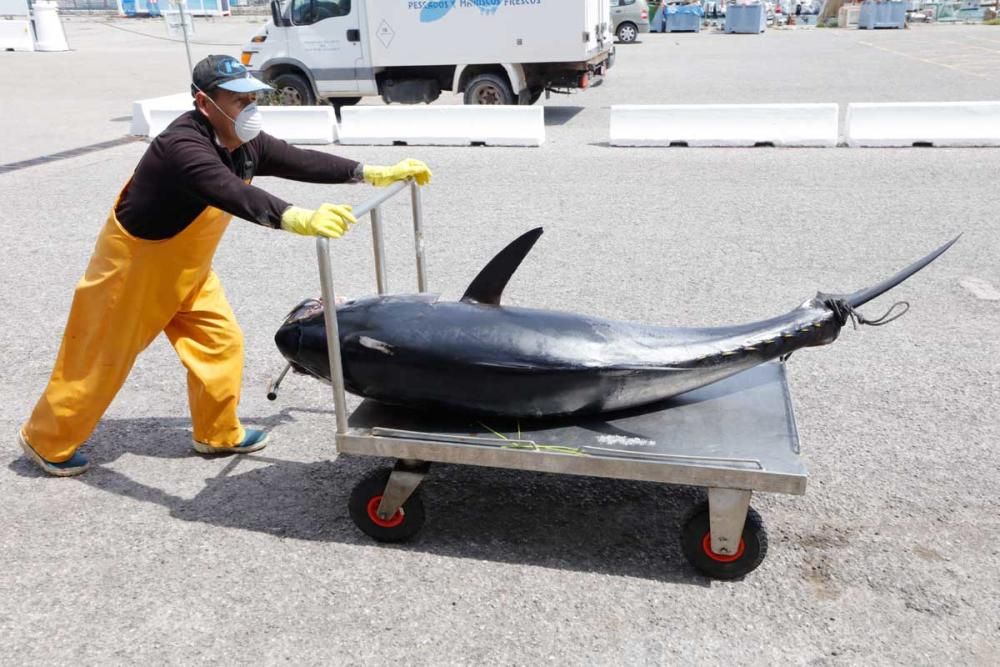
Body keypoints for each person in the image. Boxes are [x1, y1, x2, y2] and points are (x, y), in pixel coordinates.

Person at [17, 54, 432, 477]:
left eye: (252, 97)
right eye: (238, 100)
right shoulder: (181, 147)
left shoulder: (242, 140)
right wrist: (295, 217)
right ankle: (46, 438)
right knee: (99, 361)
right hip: (133, 270)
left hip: (188, 269)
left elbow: (296, 159)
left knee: (221, 344)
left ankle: (217, 433)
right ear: (204, 103)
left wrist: (371, 171)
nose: (249, 107)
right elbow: (228, 191)